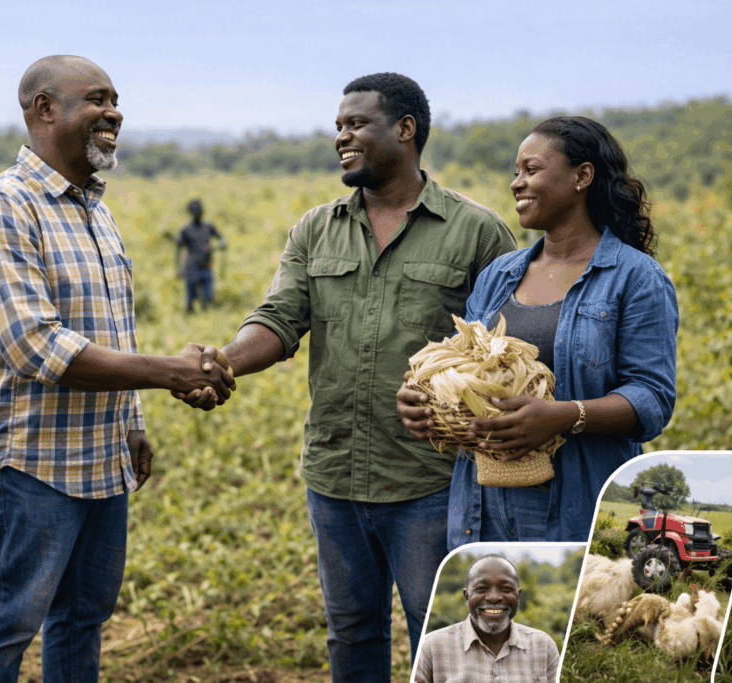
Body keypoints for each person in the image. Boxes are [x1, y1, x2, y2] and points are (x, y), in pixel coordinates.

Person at [176, 73, 517, 681]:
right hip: (333, 476)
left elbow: (507, 355)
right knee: (352, 633)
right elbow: (281, 319)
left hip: (430, 481)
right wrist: (223, 362)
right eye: (338, 126)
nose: (342, 137)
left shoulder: (477, 231)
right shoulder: (317, 227)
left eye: (356, 124)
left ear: (404, 130)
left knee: (439, 638)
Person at [0, 55, 235, 683]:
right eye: (97, 100)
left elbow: (110, 328)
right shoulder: (4, 206)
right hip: (29, 463)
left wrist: (132, 421)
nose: (115, 113)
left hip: (100, 459)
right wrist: (169, 371)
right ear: (44, 109)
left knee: (83, 617)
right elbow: (36, 345)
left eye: (116, 100)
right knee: (8, 622)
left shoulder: (95, 212)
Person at [398, 116, 678, 544]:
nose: (517, 183)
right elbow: (467, 366)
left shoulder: (636, 278)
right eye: (515, 172)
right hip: (482, 503)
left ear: (582, 176)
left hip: (576, 504)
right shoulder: (499, 276)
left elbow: (652, 398)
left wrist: (564, 416)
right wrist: (427, 401)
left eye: (531, 170)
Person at [413, 554, 559, 683]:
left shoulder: (543, 646)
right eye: (481, 588)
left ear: (518, 596)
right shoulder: (430, 648)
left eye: (506, 588)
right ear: (467, 596)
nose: (494, 597)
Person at [169, 199, 226, 313]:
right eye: (195, 212)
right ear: (191, 213)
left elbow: (222, 240)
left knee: (208, 297)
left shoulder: (208, 227)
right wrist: (179, 269)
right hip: (191, 268)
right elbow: (179, 249)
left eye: (199, 211)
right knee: (191, 301)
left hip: (206, 266)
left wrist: (215, 247)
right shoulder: (186, 230)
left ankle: (205, 320)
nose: (198, 214)